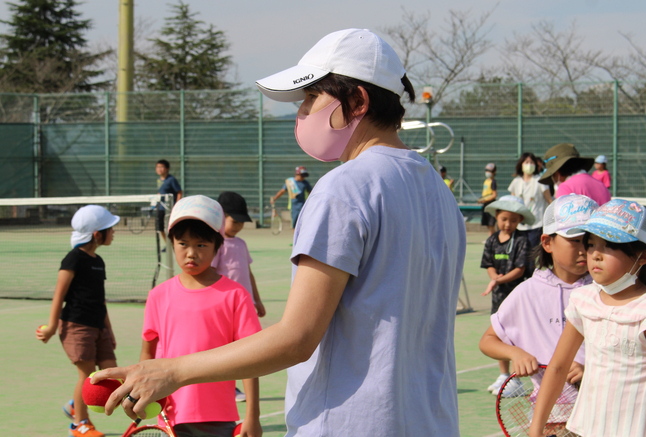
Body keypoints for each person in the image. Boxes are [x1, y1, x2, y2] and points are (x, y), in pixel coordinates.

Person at [93, 28, 466, 437]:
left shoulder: (345, 188)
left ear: (357, 100)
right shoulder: (438, 191)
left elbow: (297, 338)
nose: (302, 112)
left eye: (311, 98)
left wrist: (171, 370)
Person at [529, 199, 646, 437]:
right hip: (586, 429)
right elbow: (558, 367)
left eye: (609, 246)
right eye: (591, 244)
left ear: (642, 257)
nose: (594, 255)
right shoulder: (584, 300)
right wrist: (535, 428)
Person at [141, 195, 262, 437]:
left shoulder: (236, 295)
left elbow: (250, 360)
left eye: (201, 245)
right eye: (183, 243)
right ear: (172, 243)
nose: (191, 253)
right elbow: (148, 353)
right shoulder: (158, 296)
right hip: (170, 416)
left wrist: (252, 415)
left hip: (220, 417)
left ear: (218, 246)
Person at [478, 194, 598, 397]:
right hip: (550, 416)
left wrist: (590, 370)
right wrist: (515, 353)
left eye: (592, 242)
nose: (584, 250)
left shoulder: (607, 291)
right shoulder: (528, 292)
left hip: (599, 411)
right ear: (547, 242)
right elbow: (488, 340)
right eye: (575, 240)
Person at [36, 205, 120, 437]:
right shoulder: (73, 259)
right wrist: (52, 326)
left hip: (98, 326)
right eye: (110, 229)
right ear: (97, 234)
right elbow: (59, 293)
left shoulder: (98, 261)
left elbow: (99, 300)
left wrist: (109, 330)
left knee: (109, 372)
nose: (114, 232)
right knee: (87, 376)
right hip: (76, 325)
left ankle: (75, 405)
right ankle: (79, 423)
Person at [212, 191, 267, 403]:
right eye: (234, 221)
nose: (238, 227)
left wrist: (257, 299)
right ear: (221, 217)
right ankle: (229, 387)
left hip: (245, 307)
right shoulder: (217, 244)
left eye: (241, 223)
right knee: (226, 348)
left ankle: (239, 385)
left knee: (246, 348)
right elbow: (213, 275)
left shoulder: (241, 244)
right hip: (224, 307)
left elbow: (248, 273)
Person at [480, 195, 534, 390]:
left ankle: (516, 378)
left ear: (520, 220)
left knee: (516, 335)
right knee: (499, 334)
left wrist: (498, 280)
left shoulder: (522, 240)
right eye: (504, 219)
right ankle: (504, 375)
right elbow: (489, 265)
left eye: (513, 220)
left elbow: (519, 269)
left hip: (518, 295)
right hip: (498, 296)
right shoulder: (492, 240)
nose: (508, 224)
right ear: (496, 216)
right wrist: (495, 278)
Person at [508, 152, 553, 258]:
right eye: (526, 162)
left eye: (531, 162)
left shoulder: (540, 180)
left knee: (531, 253)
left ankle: (531, 273)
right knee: (520, 253)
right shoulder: (516, 182)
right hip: (520, 224)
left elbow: (549, 200)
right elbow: (512, 203)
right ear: (521, 164)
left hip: (536, 224)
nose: (529, 164)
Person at [539, 143, 610, 206]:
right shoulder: (602, 186)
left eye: (552, 175)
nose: (554, 180)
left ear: (557, 172)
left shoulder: (565, 188)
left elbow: (563, 219)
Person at [155, 159, 183, 244]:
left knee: (171, 228)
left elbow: (179, 192)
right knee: (159, 228)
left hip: (170, 208)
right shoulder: (159, 180)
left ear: (167, 168)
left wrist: (176, 205)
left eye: (161, 167)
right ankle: (168, 244)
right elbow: (161, 192)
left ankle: (174, 244)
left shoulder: (171, 180)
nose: (159, 169)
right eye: (157, 167)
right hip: (160, 207)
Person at [477, 162, 498, 236]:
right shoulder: (486, 181)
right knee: (487, 224)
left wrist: (485, 200)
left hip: (490, 204)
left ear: (494, 172)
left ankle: (492, 238)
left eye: (490, 171)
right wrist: (481, 200)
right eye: (487, 170)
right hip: (485, 204)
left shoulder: (493, 182)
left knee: (491, 224)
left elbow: (494, 195)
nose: (488, 172)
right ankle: (493, 238)